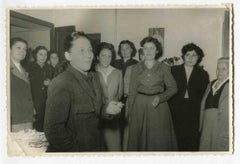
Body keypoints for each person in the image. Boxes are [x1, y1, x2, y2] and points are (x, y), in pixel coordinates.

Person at [44, 31, 122, 152]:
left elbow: (95, 109)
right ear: (68, 56)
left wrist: (106, 109)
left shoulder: (94, 77)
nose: (89, 55)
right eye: (81, 50)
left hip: (96, 146)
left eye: (90, 50)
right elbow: (53, 131)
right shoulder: (61, 82)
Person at [125, 37, 178, 151]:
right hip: (139, 106)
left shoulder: (164, 67)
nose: (148, 51)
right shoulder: (135, 68)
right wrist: (130, 112)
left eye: (151, 48)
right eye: (145, 48)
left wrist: (161, 97)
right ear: (142, 50)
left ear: (157, 50)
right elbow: (132, 91)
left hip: (159, 107)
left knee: (158, 141)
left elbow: (173, 88)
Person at [169, 43, 209, 151]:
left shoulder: (203, 74)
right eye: (187, 55)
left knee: (192, 142)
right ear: (183, 57)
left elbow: (204, 96)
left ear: (198, 58)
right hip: (175, 111)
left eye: (194, 55)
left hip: (194, 112)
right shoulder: (173, 71)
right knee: (175, 141)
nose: (190, 58)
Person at [95, 42, 123, 151]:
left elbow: (119, 94)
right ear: (97, 56)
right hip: (95, 118)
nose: (106, 59)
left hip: (112, 120)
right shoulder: (91, 72)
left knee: (114, 150)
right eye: (103, 55)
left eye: (109, 56)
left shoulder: (118, 73)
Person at [112, 40, 138, 149]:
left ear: (132, 50)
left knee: (128, 124)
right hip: (115, 97)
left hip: (129, 98)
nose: (125, 51)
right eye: (122, 49)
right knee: (115, 125)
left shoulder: (137, 64)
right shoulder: (114, 63)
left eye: (127, 48)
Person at [199, 57, 229, 151]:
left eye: (224, 69)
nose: (220, 71)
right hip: (207, 124)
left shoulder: (232, 85)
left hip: (221, 125)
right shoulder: (211, 84)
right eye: (218, 68)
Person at [10, 37, 35, 132]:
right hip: (14, 118)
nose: (22, 51)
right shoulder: (5, 67)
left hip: (27, 117)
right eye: (18, 48)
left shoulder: (23, 70)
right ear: (9, 49)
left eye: (24, 49)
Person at [26, 46, 51, 132]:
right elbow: (28, 85)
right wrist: (42, 83)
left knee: (46, 124)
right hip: (34, 100)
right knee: (36, 125)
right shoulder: (29, 67)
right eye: (40, 54)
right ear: (35, 55)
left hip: (47, 100)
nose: (43, 57)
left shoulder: (49, 67)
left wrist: (51, 83)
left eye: (45, 54)